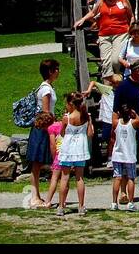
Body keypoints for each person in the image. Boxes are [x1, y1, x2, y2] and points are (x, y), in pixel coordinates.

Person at [75, 0, 133, 75]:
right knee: (106, 62)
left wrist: (131, 29)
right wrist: (83, 19)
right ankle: (108, 85)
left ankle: (117, 80)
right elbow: (93, 13)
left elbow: (131, 16)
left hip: (120, 33)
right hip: (104, 34)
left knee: (115, 60)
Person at [26, 58, 60, 209]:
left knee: (38, 164)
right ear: (51, 71)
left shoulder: (46, 87)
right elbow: (46, 112)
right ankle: (35, 196)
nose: (58, 72)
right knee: (37, 164)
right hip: (43, 129)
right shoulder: (46, 89)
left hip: (44, 127)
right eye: (56, 69)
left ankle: (37, 195)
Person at [55, 91, 93, 216]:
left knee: (64, 177)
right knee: (80, 178)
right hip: (80, 149)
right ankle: (81, 206)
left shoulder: (67, 118)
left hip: (68, 149)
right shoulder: (86, 117)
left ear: (71, 104)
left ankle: (61, 206)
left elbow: (62, 133)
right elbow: (90, 134)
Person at [110, 105, 139, 211]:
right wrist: (136, 115)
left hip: (118, 154)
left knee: (118, 178)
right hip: (129, 155)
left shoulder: (116, 123)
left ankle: (114, 202)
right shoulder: (133, 123)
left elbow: (114, 116)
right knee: (131, 178)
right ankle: (130, 202)